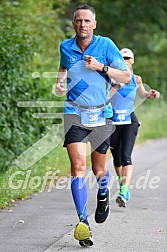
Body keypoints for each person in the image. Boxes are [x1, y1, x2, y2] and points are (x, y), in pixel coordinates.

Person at [55, 4, 131, 247]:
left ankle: (103, 191)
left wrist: (101, 67)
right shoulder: (65, 46)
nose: (83, 24)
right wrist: (59, 82)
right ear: (74, 23)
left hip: (101, 115)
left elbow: (126, 77)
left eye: (87, 21)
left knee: (99, 169)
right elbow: (64, 66)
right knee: (77, 166)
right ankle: (82, 222)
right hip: (74, 113)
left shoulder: (106, 45)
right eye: (79, 20)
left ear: (94, 24)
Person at [109, 48, 160, 208]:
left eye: (128, 57)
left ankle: (123, 190)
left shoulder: (136, 79)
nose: (125, 59)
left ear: (132, 60)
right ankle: (122, 182)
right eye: (122, 57)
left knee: (126, 157)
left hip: (129, 120)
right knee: (116, 159)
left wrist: (150, 94)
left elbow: (142, 94)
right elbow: (105, 98)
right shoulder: (111, 78)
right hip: (113, 120)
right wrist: (116, 86)